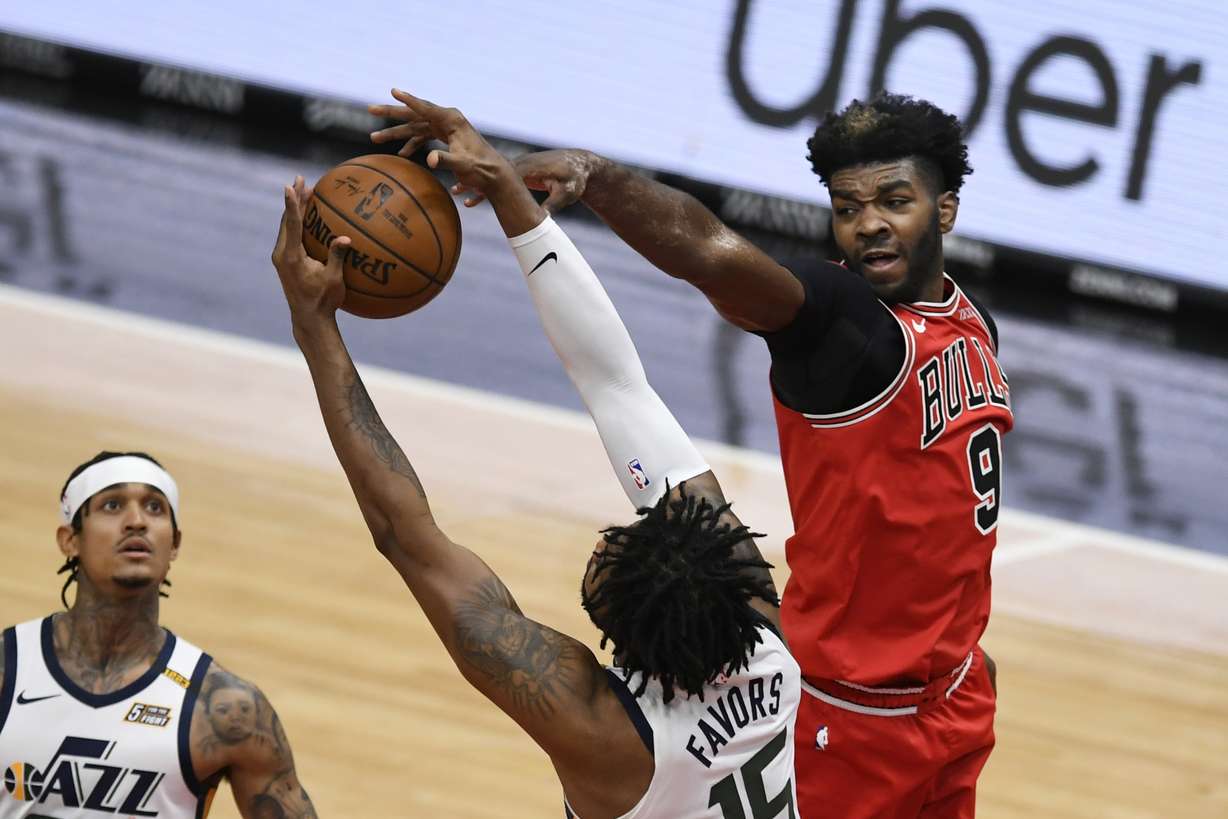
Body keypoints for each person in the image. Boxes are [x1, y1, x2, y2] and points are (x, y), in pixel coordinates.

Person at [417, 91, 1013, 818]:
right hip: (851, 723)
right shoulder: (839, 328)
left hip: (952, 698)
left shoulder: (967, 320)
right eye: (848, 208)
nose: (870, 226)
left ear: (945, 209)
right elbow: (707, 251)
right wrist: (598, 178)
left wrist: (956, 652)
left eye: (895, 201)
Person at [271, 91, 801, 819]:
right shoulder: (761, 631)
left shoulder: (609, 738)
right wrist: (515, 202)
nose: (606, 546)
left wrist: (315, 328)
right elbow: (617, 387)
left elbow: (410, 537)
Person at [0, 451, 318, 818]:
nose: (136, 521)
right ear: (70, 539)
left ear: (175, 544)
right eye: (112, 505)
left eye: (154, 508)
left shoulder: (224, 709)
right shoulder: (9, 670)